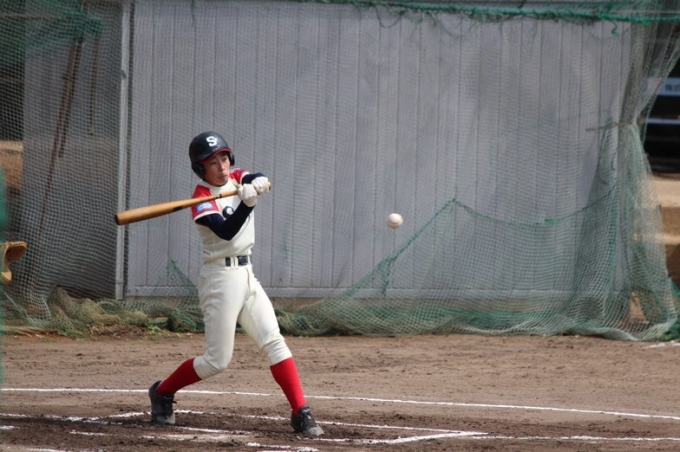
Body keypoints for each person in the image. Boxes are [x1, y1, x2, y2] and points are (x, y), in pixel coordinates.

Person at [148, 131, 323, 437]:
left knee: (274, 340)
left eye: (224, 158)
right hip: (220, 280)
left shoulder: (236, 176)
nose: (221, 166)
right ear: (201, 168)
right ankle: (163, 391)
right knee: (217, 361)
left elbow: (254, 176)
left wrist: (259, 182)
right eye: (212, 162)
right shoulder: (200, 199)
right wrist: (247, 204)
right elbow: (226, 232)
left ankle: (300, 411)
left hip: (247, 274)